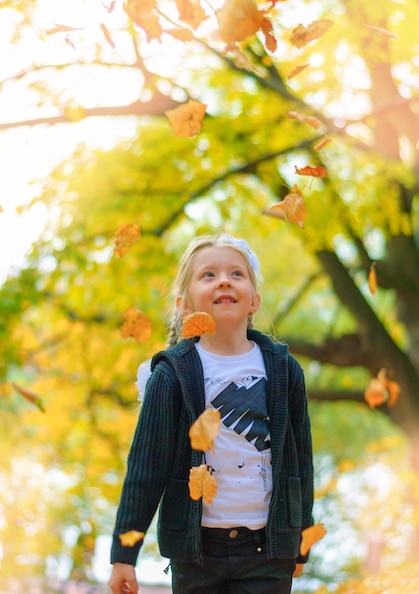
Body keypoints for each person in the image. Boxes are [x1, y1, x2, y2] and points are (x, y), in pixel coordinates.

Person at [109, 233, 314, 594]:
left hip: (268, 552)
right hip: (196, 553)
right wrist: (124, 554)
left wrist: (301, 538)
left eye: (237, 274)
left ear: (254, 300)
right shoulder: (172, 374)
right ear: (184, 305)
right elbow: (146, 466)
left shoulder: (283, 371)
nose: (223, 280)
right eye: (208, 275)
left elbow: (300, 463)